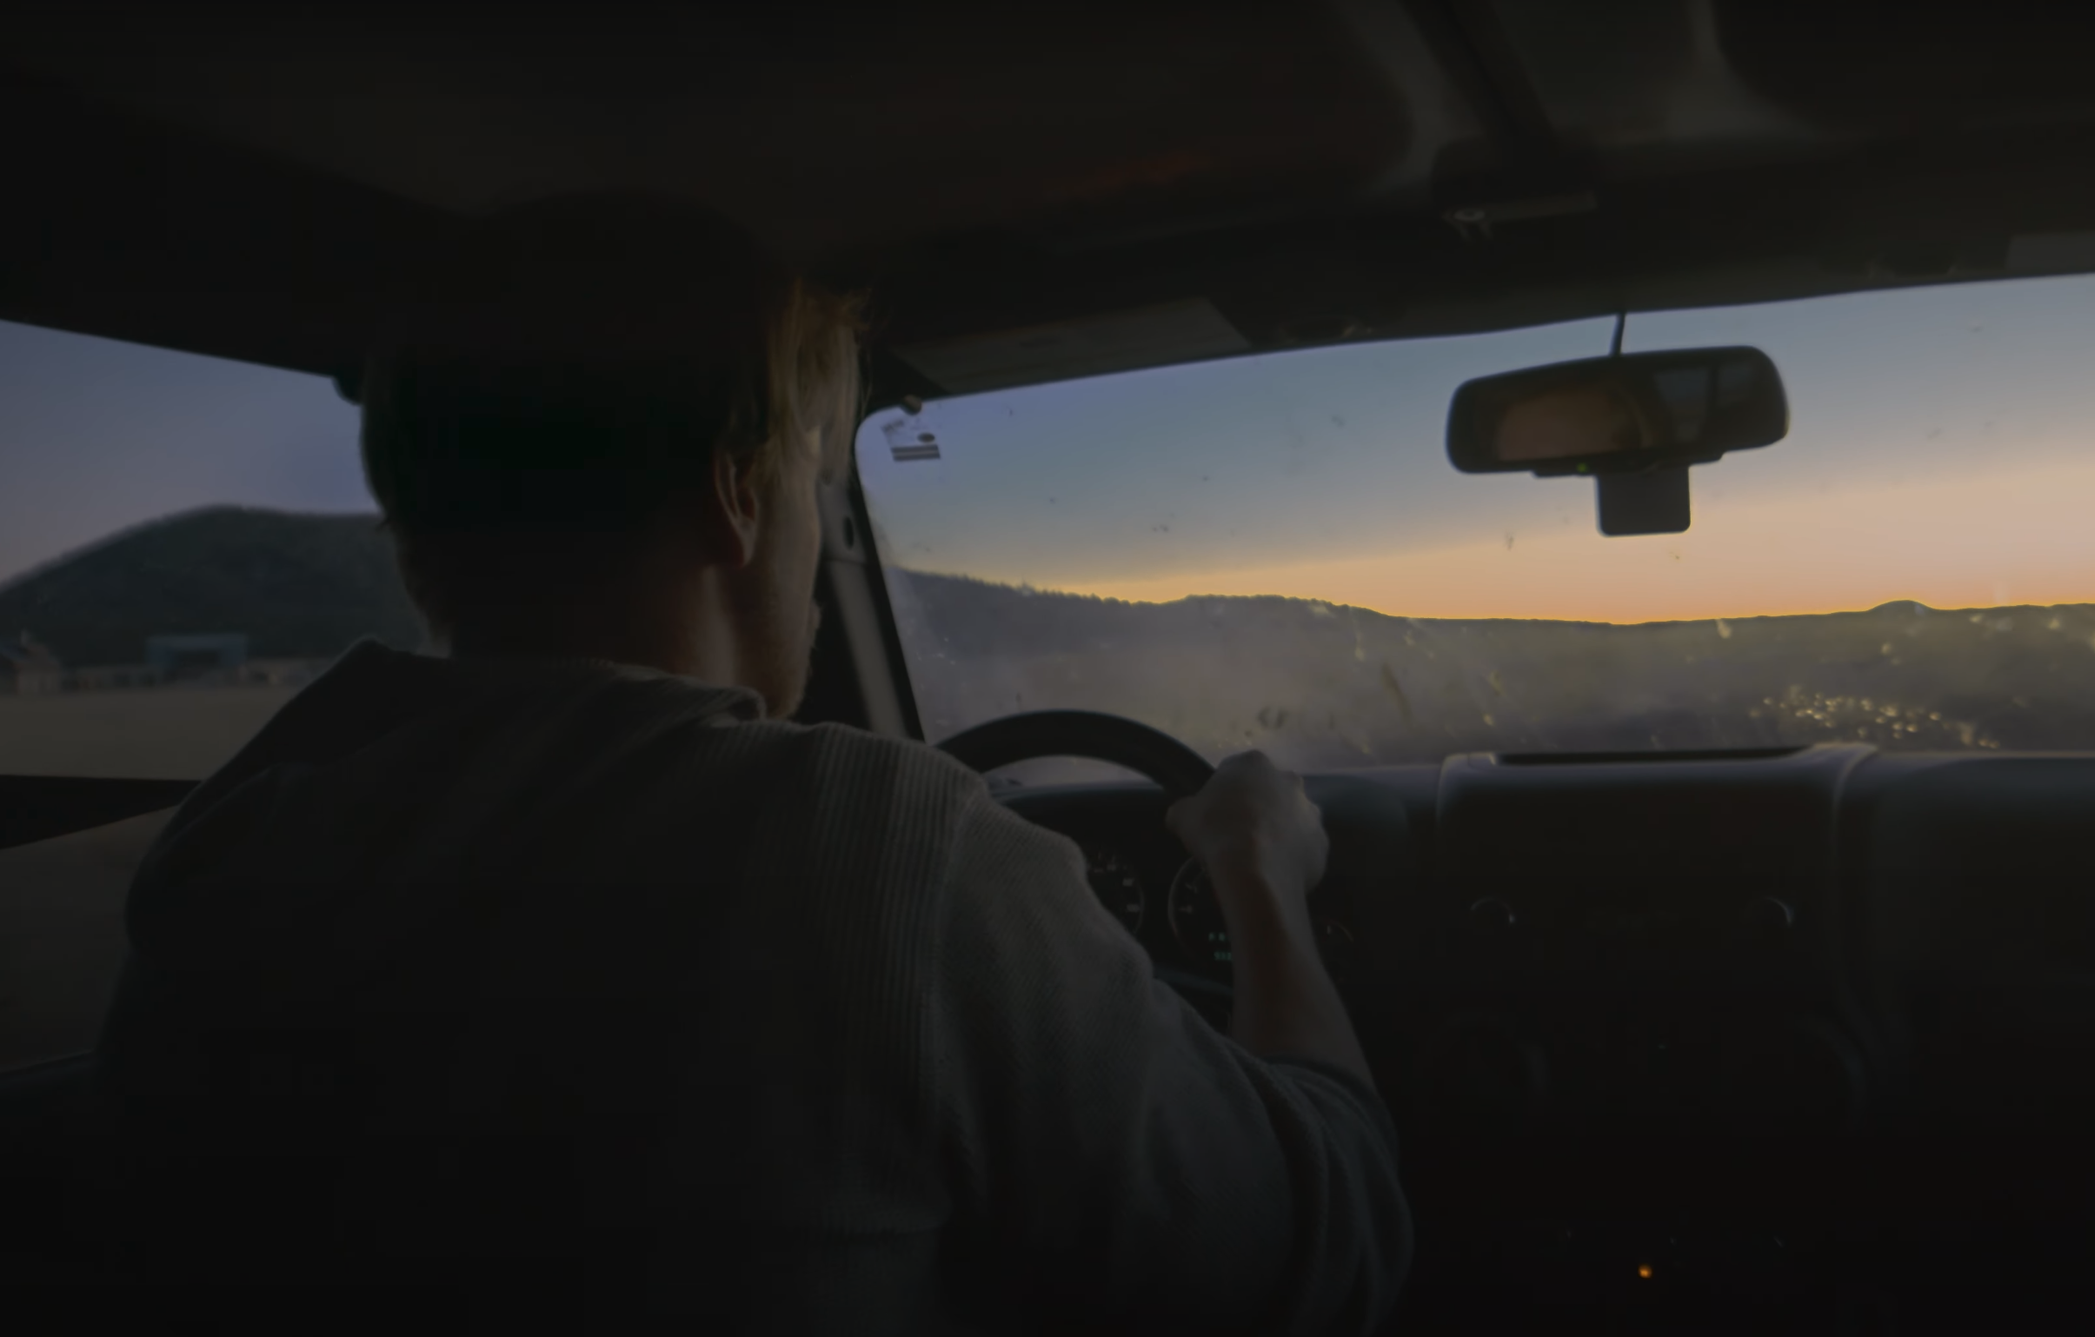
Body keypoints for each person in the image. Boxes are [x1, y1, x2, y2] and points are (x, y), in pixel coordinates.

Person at [86, 193, 1410, 1336]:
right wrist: (1262, 877)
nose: (821, 576)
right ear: (736, 497)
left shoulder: (235, 863)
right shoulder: (873, 846)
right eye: (816, 490)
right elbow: (1323, 1251)